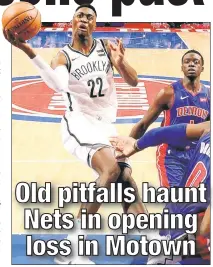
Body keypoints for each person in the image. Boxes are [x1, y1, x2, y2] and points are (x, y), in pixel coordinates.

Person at [5, 3, 147, 265]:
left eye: (90, 17)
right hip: (78, 123)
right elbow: (58, 84)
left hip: (105, 125)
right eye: (80, 15)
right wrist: (27, 50)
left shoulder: (106, 48)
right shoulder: (63, 56)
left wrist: (121, 63)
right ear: (72, 22)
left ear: (95, 24)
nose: (84, 19)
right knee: (112, 170)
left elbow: (134, 81)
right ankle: (71, 247)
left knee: (125, 178)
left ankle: (153, 244)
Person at [110, 121, 210, 264]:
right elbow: (206, 228)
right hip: (190, 241)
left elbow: (160, 133)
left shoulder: (210, 127)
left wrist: (136, 144)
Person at [129, 50, 210, 187]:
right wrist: (129, 144)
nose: (191, 64)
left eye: (196, 62)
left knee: (195, 202)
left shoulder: (209, 95)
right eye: (187, 62)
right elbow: (143, 125)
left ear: (202, 68)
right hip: (171, 155)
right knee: (176, 201)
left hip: (197, 154)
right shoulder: (168, 93)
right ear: (182, 67)